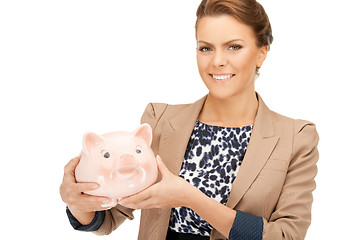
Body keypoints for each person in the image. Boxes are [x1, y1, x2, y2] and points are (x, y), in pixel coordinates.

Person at [60, 0, 320, 239]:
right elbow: (113, 214)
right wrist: (78, 201)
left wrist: (191, 198)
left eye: (234, 47)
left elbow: (287, 235)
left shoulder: (296, 137)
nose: (218, 61)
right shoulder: (159, 119)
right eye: (206, 48)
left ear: (262, 53)